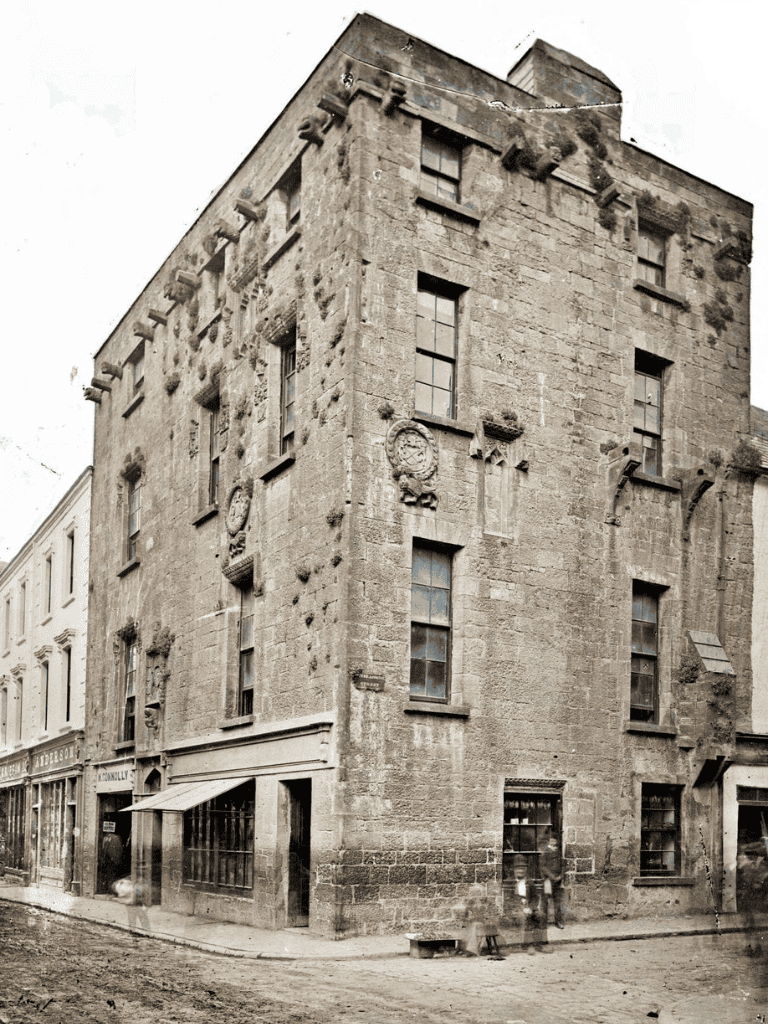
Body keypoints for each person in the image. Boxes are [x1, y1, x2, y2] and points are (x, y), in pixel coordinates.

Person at [539, 829, 566, 930]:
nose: (553, 842)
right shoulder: (545, 852)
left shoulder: (559, 852)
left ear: (557, 842)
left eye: (554, 841)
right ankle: (543, 923)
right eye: (551, 841)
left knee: (557, 903)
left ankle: (558, 921)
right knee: (545, 902)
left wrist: (560, 876)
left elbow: (563, 865)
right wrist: (552, 876)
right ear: (548, 841)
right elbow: (543, 867)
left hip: (557, 881)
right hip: (548, 881)